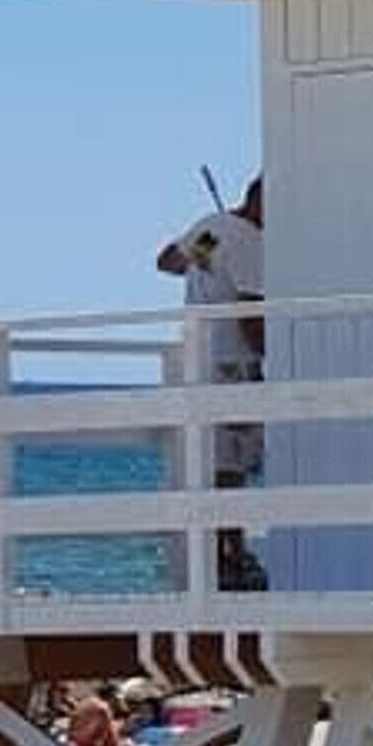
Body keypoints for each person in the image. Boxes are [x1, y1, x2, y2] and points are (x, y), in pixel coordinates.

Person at [157, 174, 267, 591]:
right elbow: (250, 312)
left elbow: (169, 261)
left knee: (215, 463)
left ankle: (224, 553)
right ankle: (231, 556)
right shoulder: (249, 241)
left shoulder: (214, 228)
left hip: (197, 364)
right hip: (232, 364)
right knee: (232, 467)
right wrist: (270, 362)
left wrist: (206, 253)